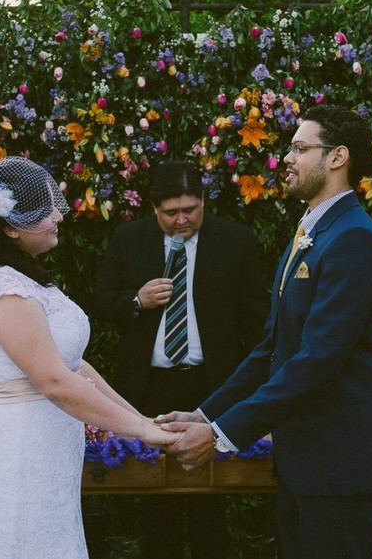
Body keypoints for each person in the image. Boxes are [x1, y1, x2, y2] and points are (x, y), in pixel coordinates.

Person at [158, 104, 372, 559]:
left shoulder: (354, 238)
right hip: (304, 463)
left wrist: (220, 436)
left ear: (337, 157)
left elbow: (317, 361)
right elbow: (272, 349)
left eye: (299, 148)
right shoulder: (311, 232)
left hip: (339, 465)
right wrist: (206, 415)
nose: (286, 158)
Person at [0, 156, 176, 559]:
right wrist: (143, 430)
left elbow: (76, 368)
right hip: (17, 459)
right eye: (45, 210)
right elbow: (55, 382)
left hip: (46, 462)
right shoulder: (4, 289)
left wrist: (140, 422)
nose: (58, 217)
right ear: (11, 227)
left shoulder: (26, 281)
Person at [92, 161, 269, 559]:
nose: (182, 219)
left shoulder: (235, 240)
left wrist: (255, 383)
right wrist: (136, 300)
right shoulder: (129, 238)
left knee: (213, 491)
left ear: (204, 201)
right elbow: (100, 298)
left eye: (190, 209)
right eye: (171, 213)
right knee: (155, 495)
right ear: (154, 209)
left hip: (214, 384)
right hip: (149, 384)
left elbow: (257, 316)